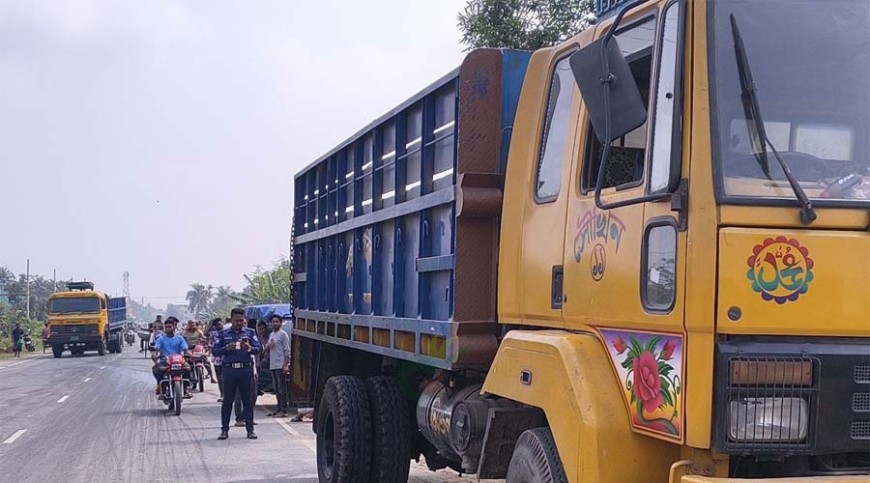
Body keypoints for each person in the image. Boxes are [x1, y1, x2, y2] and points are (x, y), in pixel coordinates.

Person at [213, 307, 261, 440]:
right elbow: (215, 351)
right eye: (237, 320)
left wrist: (249, 348)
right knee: (227, 401)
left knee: (248, 401)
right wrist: (226, 348)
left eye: (241, 320)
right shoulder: (223, 334)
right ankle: (224, 430)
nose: (239, 323)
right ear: (231, 319)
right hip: (229, 370)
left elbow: (258, 349)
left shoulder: (250, 333)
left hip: (245, 370)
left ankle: (250, 430)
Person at [151, 317, 191, 396]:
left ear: (174, 327)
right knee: (156, 369)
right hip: (165, 360)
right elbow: (156, 350)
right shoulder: (160, 339)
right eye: (166, 327)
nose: (167, 329)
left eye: (169, 327)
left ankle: (186, 389)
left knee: (188, 368)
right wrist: (154, 357)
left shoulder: (180, 338)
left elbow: (186, 350)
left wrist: (190, 355)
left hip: (179, 360)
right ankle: (160, 385)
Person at [265, 315, 291, 418]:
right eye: (273, 322)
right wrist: (268, 346)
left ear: (280, 323)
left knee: (281, 388)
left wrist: (285, 365)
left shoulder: (283, 335)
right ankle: (278, 408)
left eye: (277, 321)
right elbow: (267, 349)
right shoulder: (271, 334)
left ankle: (283, 410)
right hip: (273, 364)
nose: (275, 323)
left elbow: (287, 351)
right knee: (276, 388)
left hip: (280, 364)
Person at [208, 318, 225, 401]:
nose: (220, 326)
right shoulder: (213, 334)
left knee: (226, 378)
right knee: (220, 378)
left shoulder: (227, 332)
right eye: (218, 325)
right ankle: (222, 394)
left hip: (226, 358)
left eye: (220, 324)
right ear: (215, 326)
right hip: (217, 359)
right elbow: (210, 345)